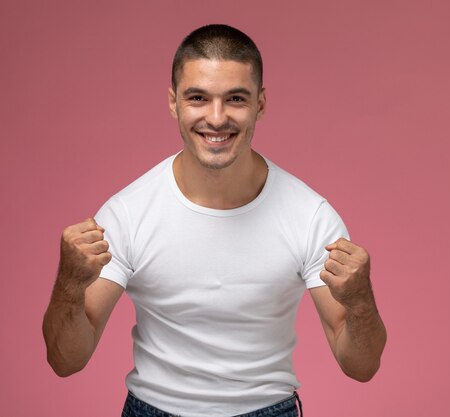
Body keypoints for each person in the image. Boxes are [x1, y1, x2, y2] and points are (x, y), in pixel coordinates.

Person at [42, 24, 386, 417]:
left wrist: (360, 300)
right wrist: (69, 284)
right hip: (153, 409)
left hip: (268, 410)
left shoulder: (309, 217)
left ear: (260, 103)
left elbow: (360, 366)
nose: (217, 118)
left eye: (235, 98)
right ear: (174, 102)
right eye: (198, 98)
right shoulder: (127, 214)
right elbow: (65, 360)